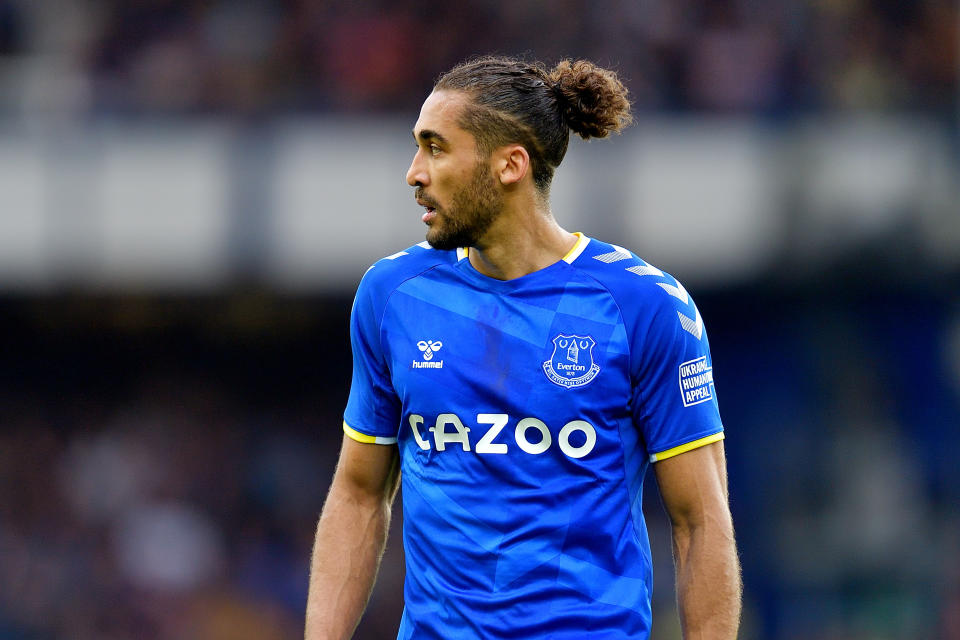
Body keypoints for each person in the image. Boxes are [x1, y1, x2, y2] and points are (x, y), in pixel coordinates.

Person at [305, 56, 741, 640]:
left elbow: (701, 522)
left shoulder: (642, 305)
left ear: (510, 163)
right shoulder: (393, 296)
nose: (414, 173)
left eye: (435, 148)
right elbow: (359, 494)